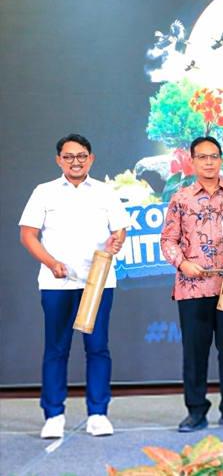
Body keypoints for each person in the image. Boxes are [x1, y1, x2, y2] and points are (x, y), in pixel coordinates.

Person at [19, 133, 129, 439]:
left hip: (98, 281)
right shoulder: (44, 192)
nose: (75, 161)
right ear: (59, 160)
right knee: (56, 349)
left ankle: (98, 414)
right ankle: (53, 415)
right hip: (57, 282)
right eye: (68, 156)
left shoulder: (105, 192)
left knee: (98, 348)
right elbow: (28, 234)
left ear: (91, 159)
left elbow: (119, 231)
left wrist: (115, 241)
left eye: (81, 156)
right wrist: (52, 263)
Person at [160, 136, 223, 433]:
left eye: (214, 156)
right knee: (195, 353)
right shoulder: (180, 198)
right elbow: (167, 240)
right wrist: (183, 263)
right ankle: (195, 411)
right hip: (193, 288)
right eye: (202, 157)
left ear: (221, 160)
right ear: (192, 161)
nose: (208, 162)